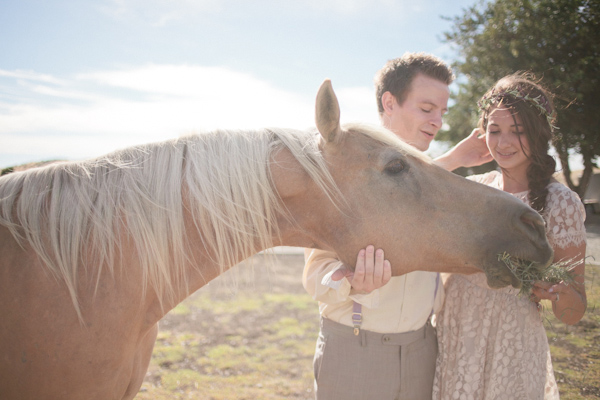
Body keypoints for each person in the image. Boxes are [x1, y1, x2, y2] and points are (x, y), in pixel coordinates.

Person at [302, 52, 487, 400]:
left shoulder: (437, 178)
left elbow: (414, 183)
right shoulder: (346, 174)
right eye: (427, 108)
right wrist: (352, 283)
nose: (438, 122)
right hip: (355, 352)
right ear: (390, 102)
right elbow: (315, 276)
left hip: (422, 349)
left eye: (442, 112)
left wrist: (457, 159)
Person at [432, 73, 587, 400]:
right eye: (494, 130)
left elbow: (575, 311)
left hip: (510, 346)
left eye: (518, 132)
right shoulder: (473, 188)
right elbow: (411, 194)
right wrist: (455, 159)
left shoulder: (562, 203)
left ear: (539, 133)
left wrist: (558, 294)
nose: (503, 143)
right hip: (453, 334)